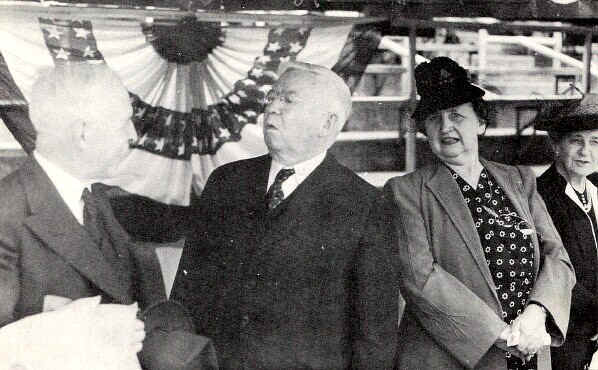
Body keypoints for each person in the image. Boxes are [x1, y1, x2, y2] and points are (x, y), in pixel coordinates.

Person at [170, 61, 400, 369]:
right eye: (271, 98)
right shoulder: (225, 182)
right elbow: (187, 293)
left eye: (288, 100)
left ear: (327, 123)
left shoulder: (366, 204)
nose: (272, 108)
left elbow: (374, 334)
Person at [0, 62, 214, 369]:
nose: (132, 135)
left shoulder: (100, 198)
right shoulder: (6, 212)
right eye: (123, 122)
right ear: (83, 134)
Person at [384, 56, 575, 370]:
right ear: (425, 130)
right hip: (451, 358)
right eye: (434, 118)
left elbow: (557, 256)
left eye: (457, 116)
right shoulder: (404, 190)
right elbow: (420, 277)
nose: (446, 126)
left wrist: (537, 314)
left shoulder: (520, 179)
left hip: (529, 346)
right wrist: (500, 335)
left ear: (481, 123)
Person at [535, 93, 598, 370]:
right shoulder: (540, 196)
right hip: (565, 336)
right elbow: (551, 270)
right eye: (576, 141)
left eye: (595, 142)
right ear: (556, 145)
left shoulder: (593, 191)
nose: (586, 152)